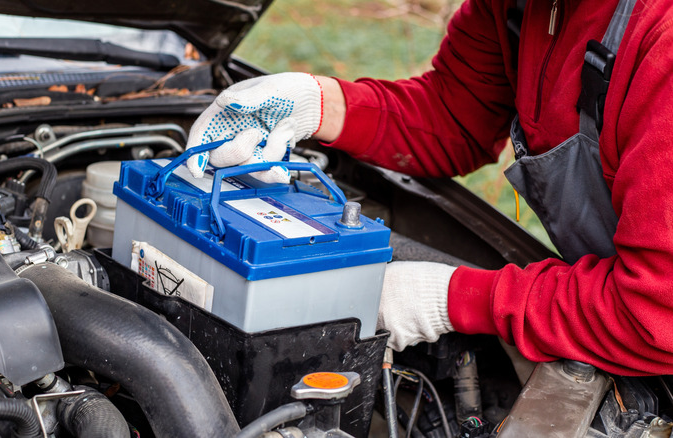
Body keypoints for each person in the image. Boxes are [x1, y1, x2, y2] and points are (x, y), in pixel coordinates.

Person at [185, 0, 673, 376]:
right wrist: (317, 104)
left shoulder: (661, 37)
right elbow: (456, 117)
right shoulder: (517, 7)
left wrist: (450, 298)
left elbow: (657, 313)